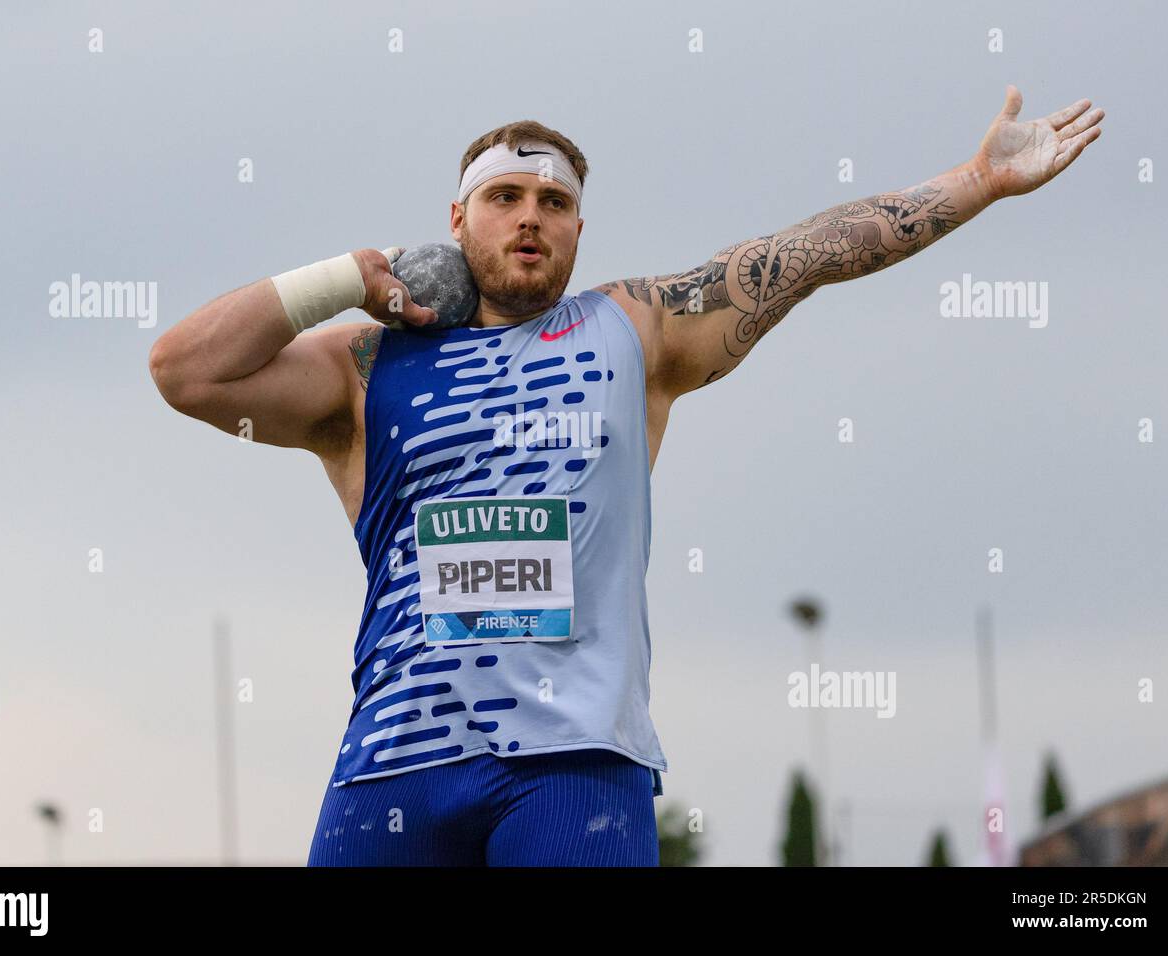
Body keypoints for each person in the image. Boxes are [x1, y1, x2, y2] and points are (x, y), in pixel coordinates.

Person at [148, 88, 1103, 866]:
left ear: (578, 229)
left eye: (554, 205)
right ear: (455, 221)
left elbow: (809, 254)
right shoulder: (365, 367)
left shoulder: (633, 331)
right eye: (506, 198)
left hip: (573, 768)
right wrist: (347, 277)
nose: (530, 219)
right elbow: (185, 371)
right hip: (397, 765)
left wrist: (976, 183)